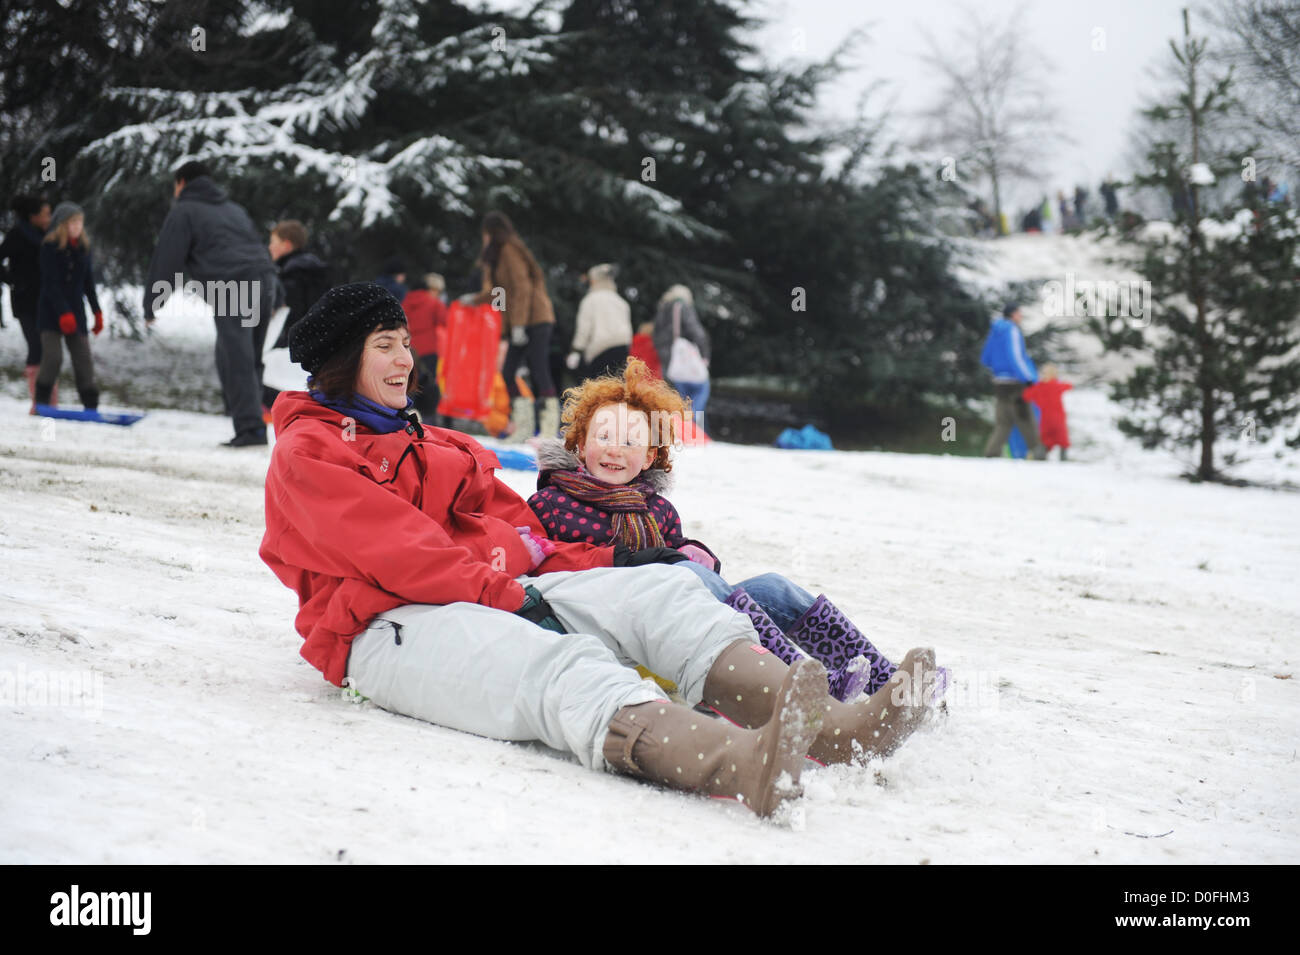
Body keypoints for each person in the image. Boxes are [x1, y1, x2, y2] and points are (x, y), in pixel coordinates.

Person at [259, 283, 938, 818]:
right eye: (386, 344)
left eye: (406, 341)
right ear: (344, 360)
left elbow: (528, 537)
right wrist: (511, 593)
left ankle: (840, 730)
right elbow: (402, 554)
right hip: (381, 626)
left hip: (492, 587)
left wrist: (617, 565)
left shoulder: (436, 443)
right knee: (558, 664)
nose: (407, 358)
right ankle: (740, 762)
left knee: (664, 596)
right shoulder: (309, 452)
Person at [527, 358, 936, 703]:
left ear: (650, 455)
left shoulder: (656, 509)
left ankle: (891, 682)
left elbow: (680, 555)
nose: (615, 449)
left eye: (631, 442)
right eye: (603, 437)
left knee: (772, 587)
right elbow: (539, 567)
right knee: (682, 573)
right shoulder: (552, 502)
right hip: (613, 626)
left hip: (676, 616)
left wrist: (693, 552)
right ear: (580, 444)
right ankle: (801, 680)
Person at [144, 160, 277, 447]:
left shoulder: (184, 211)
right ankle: (252, 422)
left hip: (232, 286)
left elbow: (168, 259)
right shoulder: (234, 209)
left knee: (236, 359)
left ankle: (251, 429)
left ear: (181, 183)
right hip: (264, 281)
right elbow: (256, 249)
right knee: (248, 357)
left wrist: (151, 304)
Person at [471, 211, 558, 442]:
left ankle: (550, 428)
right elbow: (498, 293)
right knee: (508, 372)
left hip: (535, 319)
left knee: (539, 369)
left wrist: (518, 326)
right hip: (522, 323)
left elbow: (522, 288)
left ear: (490, 232)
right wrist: (475, 300)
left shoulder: (509, 250)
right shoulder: (498, 255)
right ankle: (524, 426)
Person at [33, 203, 102, 412]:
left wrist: (97, 311)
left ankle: (91, 405)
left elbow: (88, 283)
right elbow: (51, 284)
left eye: (80, 222)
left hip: (76, 313)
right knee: (53, 358)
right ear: (62, 224)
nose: (77, 226)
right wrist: (63, 312)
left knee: (83, 360)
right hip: (51, 312)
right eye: (73, 222)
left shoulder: (83, 249)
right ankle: (42, 402)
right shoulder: (49, 248)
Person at [265, 219, 330, 408]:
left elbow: (290, 318)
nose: (270, 248)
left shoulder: (291, 276)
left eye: (273, 243)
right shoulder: (316, 270)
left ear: (286, 245)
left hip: (294, 350)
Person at [1, 194, 52, 411]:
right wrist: (13, 281)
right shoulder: (16, 235)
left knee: (49, 348)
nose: (49, 218)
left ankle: (49, 399)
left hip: (47, 300)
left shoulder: (47, 234)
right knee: (36, 345)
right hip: (24, 301)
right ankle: (38, 402)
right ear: (33, 216)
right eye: (45, 214)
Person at [980, 303, 1045, 459]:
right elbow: (1015, 356)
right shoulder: (1012, 330)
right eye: (1019, 313)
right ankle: (1037, 451)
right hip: (1015, 381)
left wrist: (998, 369)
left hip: (999, 381)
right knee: (1025, 416)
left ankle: (992, 452)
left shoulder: (994, 331)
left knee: (1004, 420)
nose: (1020, 316)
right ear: (1013, 314)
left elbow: (985, 358)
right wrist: (1027, 378)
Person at [652, 285, 711, 434]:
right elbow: (696, 331)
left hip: (668, 360)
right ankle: (694, 430)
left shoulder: (662, 308)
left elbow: (656, 336)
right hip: (684, 357)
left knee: (677, 396)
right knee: (701, 389)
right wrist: (704, 355)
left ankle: (675, 431)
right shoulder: (682, 306)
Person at [566, 263, 632, 381]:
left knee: (599, 388)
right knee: (618, 385)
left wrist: (576, 351)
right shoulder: (621, 302)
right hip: (622, 347)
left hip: (600, 349)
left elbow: (584, 329)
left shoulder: (590, 300)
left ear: (593, 281)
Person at [400, 271, 447, 419]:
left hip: (408, 349)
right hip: (428, 350)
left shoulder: (405, 301)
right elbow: (445, 320)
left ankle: (406, 413)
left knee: (408, 384)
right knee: (428, 385)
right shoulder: (434, 303)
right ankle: (427, 418)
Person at [1022, 363, 1073, 461]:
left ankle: (1053, 457)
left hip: (1052, 418)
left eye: (1045, 373)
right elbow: (1069, 386)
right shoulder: (1047, 386)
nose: (1043, 375)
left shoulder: (1047, 386)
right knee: (1053, 438)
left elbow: (1026, 396)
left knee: (1053, 438)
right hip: (1052, 418)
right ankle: (1050, 457)